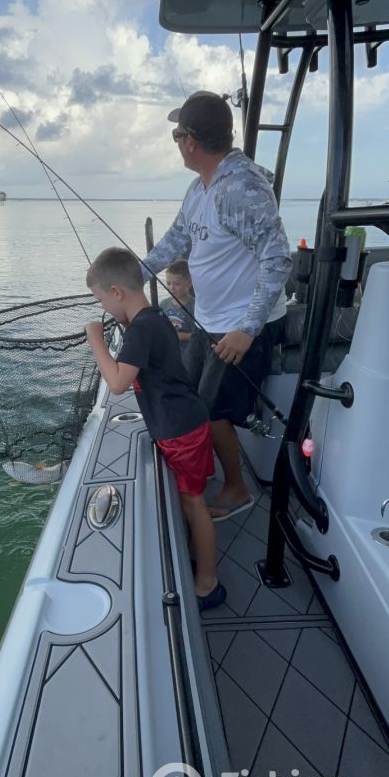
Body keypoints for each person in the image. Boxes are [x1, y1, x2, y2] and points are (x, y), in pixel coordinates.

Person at [143, 90, 292, 521]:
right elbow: (177, 238)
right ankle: (202, 470)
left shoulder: (241, 188)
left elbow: (278, 259)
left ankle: (236, 489)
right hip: (207, 319)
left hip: (241, 326)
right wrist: (134, 276)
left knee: (211, 411)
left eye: (177, 135)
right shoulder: (200, 188)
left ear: (190, 141)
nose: (176, 142)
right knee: (189, 396)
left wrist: (247, 330)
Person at [84, 246, 226, 611]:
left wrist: (96, 340)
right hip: (183, 422)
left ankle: (208, 584)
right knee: (191, 501)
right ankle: (195, 552)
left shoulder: (141, 330)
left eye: (101, 299)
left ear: (117, 292)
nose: (103, 308)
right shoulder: (154, 317)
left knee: (195, 504)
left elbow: (117, 382)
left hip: (181, 430)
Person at [160, 259, 195, 356]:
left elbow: (199, 336)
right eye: (168, 283)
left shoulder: (195, 306)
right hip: (167, 355)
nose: (172, 287)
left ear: (189, 283)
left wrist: (179, 336)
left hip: (188, 356)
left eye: (177, 284)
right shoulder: (164, 304)